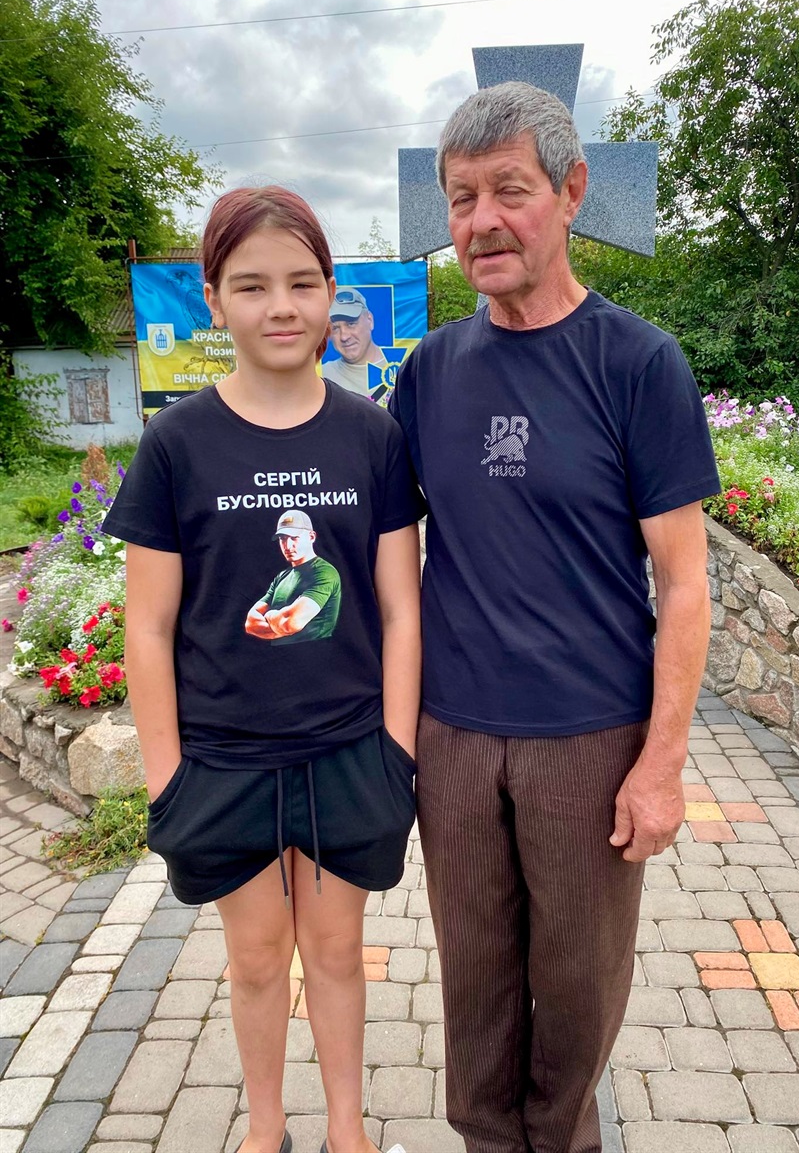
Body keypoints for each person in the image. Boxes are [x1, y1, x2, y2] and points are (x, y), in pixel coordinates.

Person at [388, 82, 720, 1153]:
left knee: (577, 993)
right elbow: (380, 554)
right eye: (462, 198)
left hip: (589, 742)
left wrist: (661, 763)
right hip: (453, 739)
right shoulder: (431, 373)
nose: (482, 221)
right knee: (475, 986)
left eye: (510, 191)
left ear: (571, 192)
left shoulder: (638, 364)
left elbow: (684, 585)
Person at [104, 186, 424, 1153]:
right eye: (251, 286)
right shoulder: (176, 443)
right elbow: (149, 626)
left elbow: (401, 608)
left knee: (336, 951)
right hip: (223, 760)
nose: (279, 306)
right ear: (213, 300)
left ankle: (346, 1131)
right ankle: (265, 1129)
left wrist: (396, 753)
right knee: (252, 959)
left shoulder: (371, 436)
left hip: (347, 754)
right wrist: (166, 776)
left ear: (330, 292)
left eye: (300, 283)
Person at [245, 510, 342, 642]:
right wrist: (279, 622)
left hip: (316, 653)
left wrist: (269, 614)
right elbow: (250, 624)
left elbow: (290, 623)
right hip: (276, 654)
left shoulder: (324, 572)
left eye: (294, 537)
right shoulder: (282, 576)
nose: (288, 545)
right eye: (282, 539)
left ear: (311, 537)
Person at [321, 287, 389, 396]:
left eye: (351, 324)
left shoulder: (401, 365)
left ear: (370, 320)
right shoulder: (322, 376)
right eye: (335, 328)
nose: (344, 337)